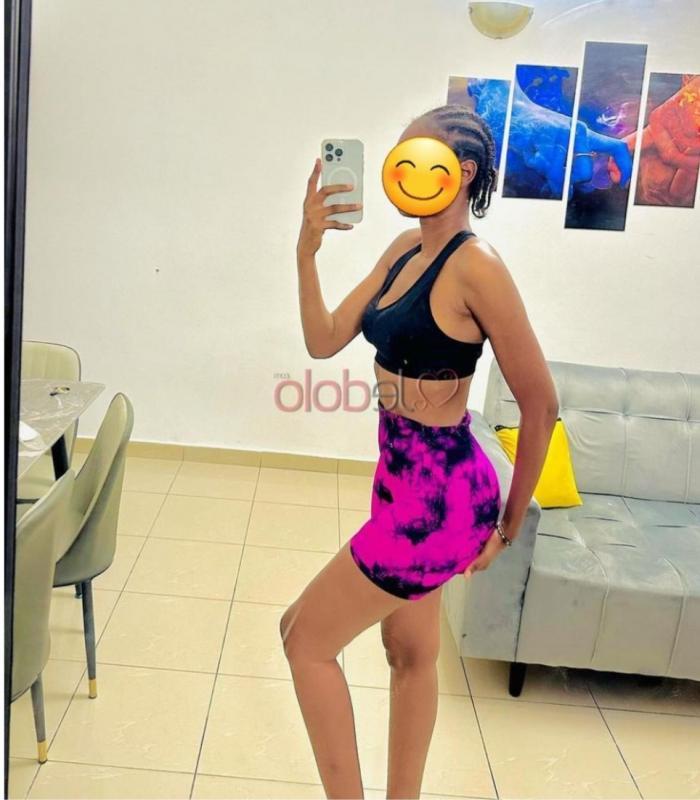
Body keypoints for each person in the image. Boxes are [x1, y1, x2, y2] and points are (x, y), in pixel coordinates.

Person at [282, 103, 559, 800]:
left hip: (438, 503)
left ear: (460, 173)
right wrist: (306, 251)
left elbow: (541, 404)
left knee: (303, 638)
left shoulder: (478, 267)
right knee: (407, 652)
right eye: (399, 159)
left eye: (421, 160)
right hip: (400, 481)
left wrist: (509, 527)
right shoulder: (405, 249)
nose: (404, 172)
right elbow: (324, 339)